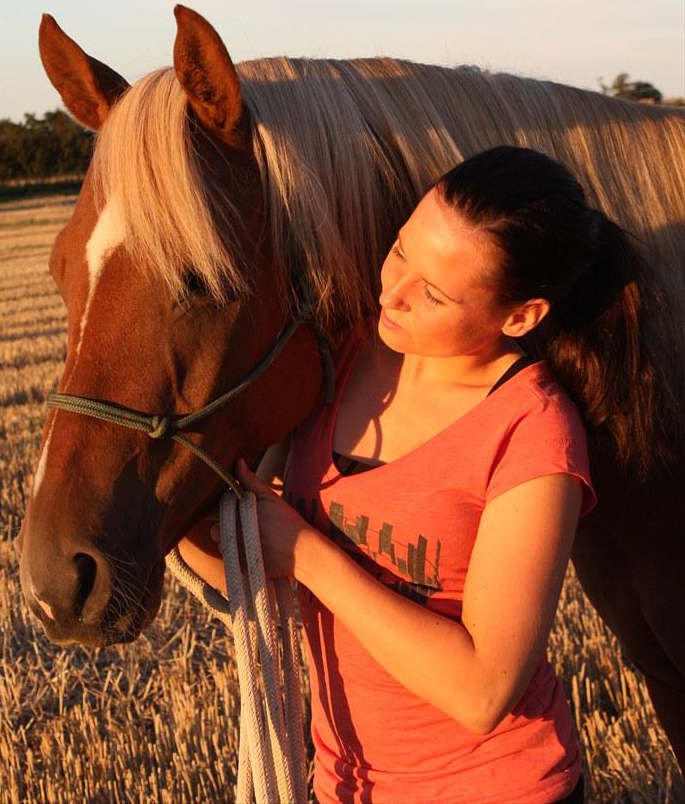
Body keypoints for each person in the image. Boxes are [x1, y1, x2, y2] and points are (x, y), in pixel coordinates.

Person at [180, 146, 658, 804]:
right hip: (344, 786)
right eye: (402, 249)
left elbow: (482, 690)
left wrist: (308, 555)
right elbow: (249, 559)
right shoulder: (338, 357)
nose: (393, 292)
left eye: (433, 293)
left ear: (520, 317)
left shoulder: (532, 432)